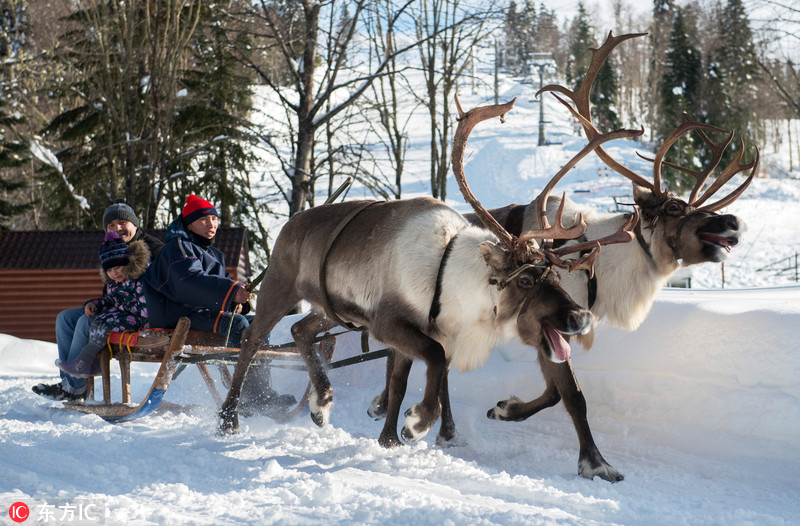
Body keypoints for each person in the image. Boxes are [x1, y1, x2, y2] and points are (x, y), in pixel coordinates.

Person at [142, 194, 294, 412]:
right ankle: (247, 392)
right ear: (189, 223)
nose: (211, 224)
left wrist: (234, 302)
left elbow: (218, 285)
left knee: (257, 324)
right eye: (203, 219)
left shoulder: (210, 252)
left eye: (213, 218)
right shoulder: (178, 247)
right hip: (177, 315)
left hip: (199, 312)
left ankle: (259, 389)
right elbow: (189, 282)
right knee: (239, 325)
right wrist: (231, 292)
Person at [33, 200, 163, 401]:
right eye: (111, 225)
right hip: (118, 309)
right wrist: (94, 304)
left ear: (135, 225)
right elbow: (111, 295)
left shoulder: (154, 249)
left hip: (143, 316)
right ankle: (69, 383)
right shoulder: (111, 250)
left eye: (122, 222)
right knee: (66, 318)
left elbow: (167, 286)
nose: (117, 228)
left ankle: (74, 388)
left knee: (86, 322)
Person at [55, 231, 150, 377]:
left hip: (136, 320)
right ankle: (92, 365)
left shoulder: (137, 280)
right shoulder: (114, 284)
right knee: (98, 320)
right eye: (110, 270)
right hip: (122, 316)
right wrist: (94, 304)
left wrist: (146, 325)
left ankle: (86, 363)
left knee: (100, 323)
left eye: (118, 267)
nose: (114, 273)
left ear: (127, 263)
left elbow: (145, 304)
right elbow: (110, 300)